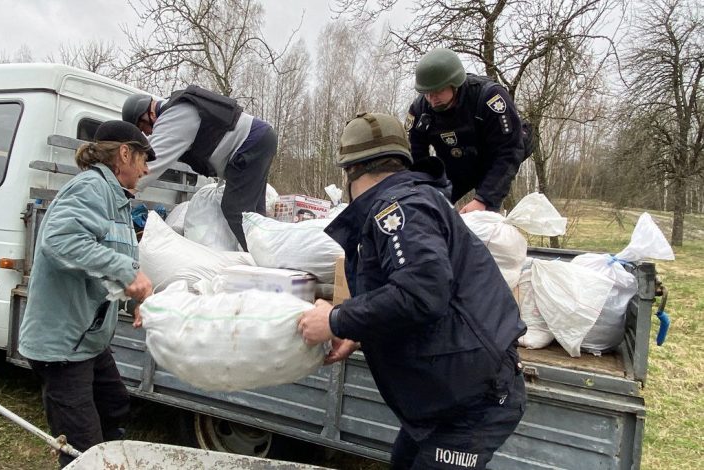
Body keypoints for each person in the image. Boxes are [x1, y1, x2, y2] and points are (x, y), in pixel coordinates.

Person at [297, 112, 527, 469]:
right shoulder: (408, 201)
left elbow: (422, 293)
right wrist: (356, 332)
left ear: (351, 172)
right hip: (445, 397)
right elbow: (405, 291)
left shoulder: (400, 209)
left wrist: (338, 319)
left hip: (470, 401)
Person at [18, 120, 155, 468]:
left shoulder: (117, 199)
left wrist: (135, 296)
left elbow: (105, 263)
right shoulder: (91, 188)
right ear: (124, 153)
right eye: (143, 158)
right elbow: (60, 242)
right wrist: (128, 273)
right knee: (82, 444)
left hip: (88, 341)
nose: (146, 168)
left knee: (115, 407)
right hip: (63, 347)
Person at [122, 86, 277, 251]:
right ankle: (272, 254)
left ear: (149, 115)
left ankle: (263, 257)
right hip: (258, 141)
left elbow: (152, 162)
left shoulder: (175, 116)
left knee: (236, 210)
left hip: (251, 143)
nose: (145, 133)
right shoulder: (175, 112)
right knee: (255, 216)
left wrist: (124, 188)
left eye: (142, 128)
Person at [406, 47, 528, 213]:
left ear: (454, 84)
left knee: (484, 216)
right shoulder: (420, 110)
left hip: (492, 160)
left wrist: (483, 199)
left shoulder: (490, 98)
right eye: (427, 93)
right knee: (429, 209)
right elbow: (416, 157)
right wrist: (425, 194)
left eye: (438, 91)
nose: (432, 98)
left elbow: (509, 151)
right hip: (455, 163)